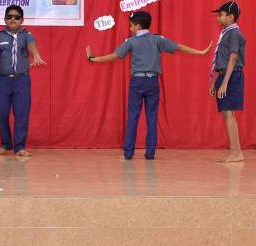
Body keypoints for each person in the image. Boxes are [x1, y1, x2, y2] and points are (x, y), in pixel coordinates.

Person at [86, 10, 211, 160]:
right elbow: (179, 47)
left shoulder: (131, 41)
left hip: (137, 82)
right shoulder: (157, 39)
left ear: (138, 26)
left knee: (133, 117)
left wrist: (93, 58)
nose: (130, 28)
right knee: (152, 118)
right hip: (153, 82)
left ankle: (128, 154)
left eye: (131, 26)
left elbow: (114, 56)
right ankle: (150, 154)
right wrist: (200, 52)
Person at [0, 5, 45, 157]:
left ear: (22, 20)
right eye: (10, 17)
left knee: (21, 113)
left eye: (16, 17)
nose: (13, 19)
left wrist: (36, 55)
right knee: (0, 111)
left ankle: (19, 147)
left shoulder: (26, 34)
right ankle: (6, 144)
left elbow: (31, 45)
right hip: (3, 81)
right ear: (5, 19)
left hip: (21, 81)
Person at [209, 1, 246, 163]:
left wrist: (225, 83)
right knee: (227, 114)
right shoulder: (226, 33)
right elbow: (222, 60)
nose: (218, 18)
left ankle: (236, 152)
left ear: (231, 17)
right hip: (224, 75)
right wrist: (215, 81)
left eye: (221, 15)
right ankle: (236, 151)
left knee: (229, 114)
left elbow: (233, 57)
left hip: (232, 76)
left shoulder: (234, 33)